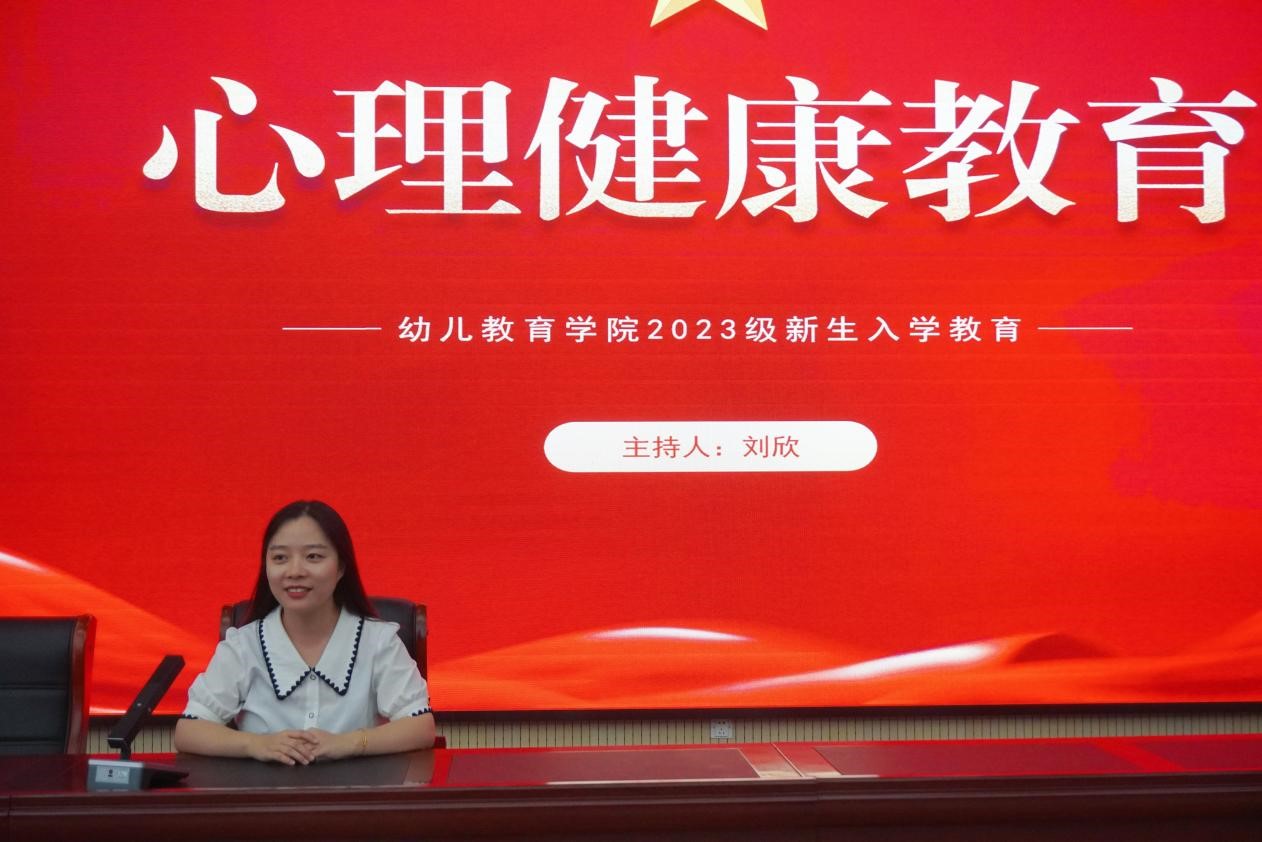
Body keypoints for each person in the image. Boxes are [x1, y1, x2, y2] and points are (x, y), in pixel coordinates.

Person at [174, 500, 435, 764]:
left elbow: (421, 727)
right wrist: (256, 744)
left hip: (356, 789)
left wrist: (348, 743)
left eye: (313, 557)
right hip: (265, 791)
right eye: (280, 558)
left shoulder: (377, 641)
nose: (295, 572)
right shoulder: (244, 645)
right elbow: (189, 731)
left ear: (341, 567)